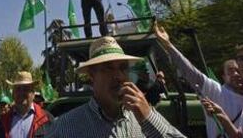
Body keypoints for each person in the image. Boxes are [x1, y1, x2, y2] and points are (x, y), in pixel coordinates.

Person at [46, 36, 185, 137]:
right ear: (91, 76)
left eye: (123, 68)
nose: (118, 76)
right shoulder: (64, 128)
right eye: (108, 68)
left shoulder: (144, 114)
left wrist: (148, 118)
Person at [155, 24, 243, 138]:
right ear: (223, 77)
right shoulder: (218, 93)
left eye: (237, 70)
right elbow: (192, 74)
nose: (236, 74)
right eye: (231, 71)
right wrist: (168, 45)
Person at [0, 71, 53, 138]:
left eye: (26, 89)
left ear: (33, 93)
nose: (21, 93)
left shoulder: (47, 119)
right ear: (13, 94)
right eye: (18, 89)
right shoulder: (3, 120)